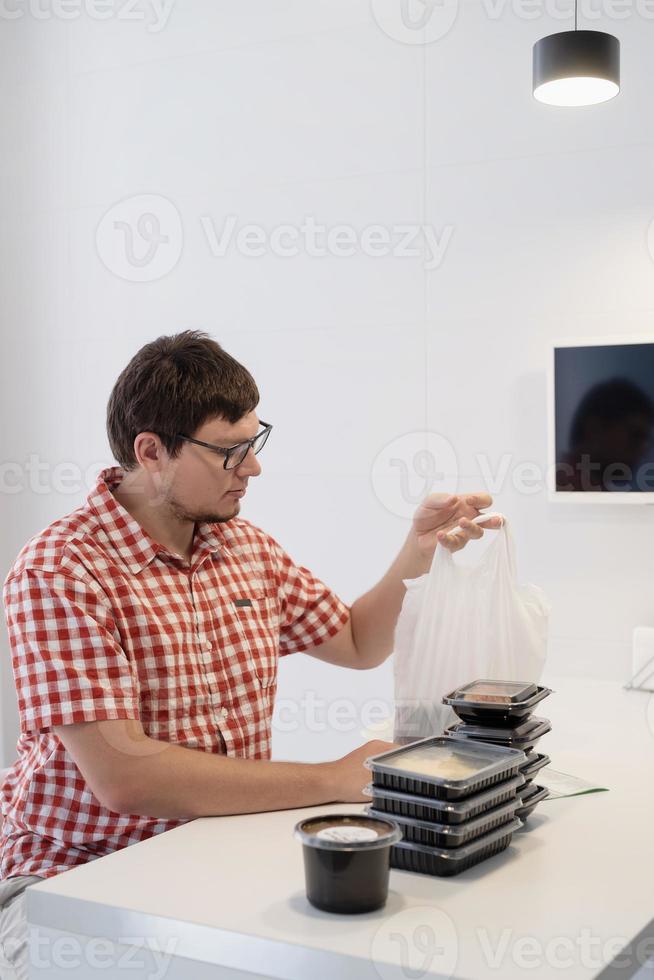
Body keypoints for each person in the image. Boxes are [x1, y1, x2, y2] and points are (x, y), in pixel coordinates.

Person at [0, 330, 500, 978]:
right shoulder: (60, 570)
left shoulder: (245, 549)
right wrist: (334, 779)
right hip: (70, 885)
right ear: (151, 452)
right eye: (231, 451)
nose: (254, 468)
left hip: (208, 859)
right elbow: (125, 779)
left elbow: (356, 643)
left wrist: (419, 549)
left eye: (255, 442)